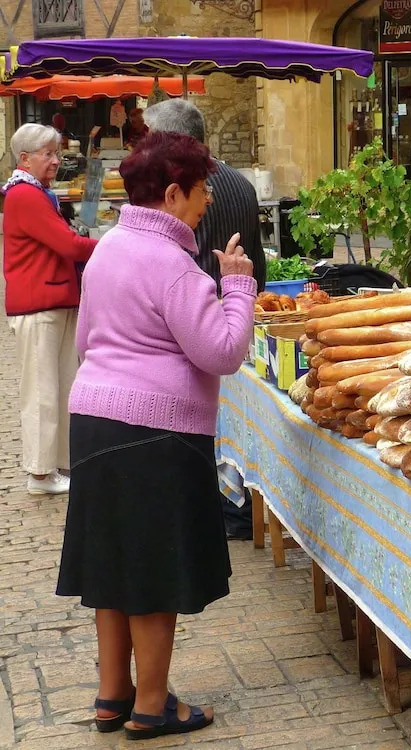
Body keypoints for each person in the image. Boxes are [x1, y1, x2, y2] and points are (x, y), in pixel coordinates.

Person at [55, 131, 256, 739]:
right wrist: (237, 285)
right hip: (157, 431)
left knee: (111, 565)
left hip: (95, 419)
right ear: (172, 194)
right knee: (151, 570)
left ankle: (112, 695)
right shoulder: (172, 264)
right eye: (200, 191)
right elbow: (221, 351)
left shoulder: (109, 248)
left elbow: (88, 338)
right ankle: (151, 705)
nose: (207, 202)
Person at [144, 97, 267, 540]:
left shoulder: (175, 190)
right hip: (236, 307)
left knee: (202, 421)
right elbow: (256, 260)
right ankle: (237, 508)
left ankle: (213, 508)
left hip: (192, 318)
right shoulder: (241, 184)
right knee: (233, 419)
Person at [2, 123, 98, 495]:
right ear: (25, 158)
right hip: (39, 304)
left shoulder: (34, 192)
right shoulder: (25, 195)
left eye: (56, 153)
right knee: (42, 391)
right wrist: (108, 245)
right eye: (48, 154)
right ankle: (40, 473)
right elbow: (68, 245)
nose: (56, 160)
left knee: (61, 386)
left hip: (52, 300)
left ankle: (59, 464)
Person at [144, 98, 267, 293]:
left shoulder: (173, 189)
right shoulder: (244, 184)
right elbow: (257, 268)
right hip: (240, 298)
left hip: (190, 304)